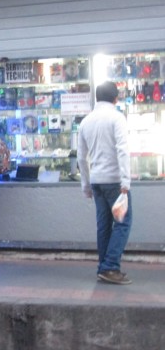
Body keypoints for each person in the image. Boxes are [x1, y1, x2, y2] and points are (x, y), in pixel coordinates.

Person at [77, 81, 132, 285]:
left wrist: (86, 185)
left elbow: (81, 158)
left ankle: (104, 266)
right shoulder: (117, 118)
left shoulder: (86, 121)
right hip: (115, 181)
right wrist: (126, 181)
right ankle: (110, 267)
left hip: (97, 182)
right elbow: (122, 150)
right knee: (123, 223)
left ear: (97, 98)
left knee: (103, 225)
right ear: (115, 98)